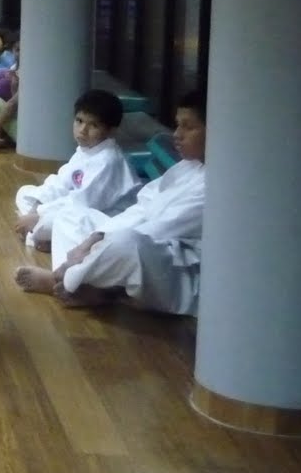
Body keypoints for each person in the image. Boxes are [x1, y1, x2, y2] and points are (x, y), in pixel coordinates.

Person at [14, 88, 206, 314]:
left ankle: (65, 279)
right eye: (177, 125)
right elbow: (142, 207)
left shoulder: (218, 188)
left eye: (188, 127)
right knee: (71, 216)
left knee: (127, 243)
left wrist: (93, 243)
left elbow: (157, 229)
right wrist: (94, 238)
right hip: (134, 233)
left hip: (172, 269)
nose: (177, 134)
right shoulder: (188, 166)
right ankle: (80, 284)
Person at [12, 89, 141, 247]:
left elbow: (81, 204)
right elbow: (61, 182)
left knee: (56, 221)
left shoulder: (108, 161)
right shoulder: (87, 149)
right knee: (25, 192)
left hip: (104, 221)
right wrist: (36, 208)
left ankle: (40, 236)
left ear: (111, 130)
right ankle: (40, 234)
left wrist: (39, 214)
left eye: (93, 125)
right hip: (78, 209)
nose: (82, 130)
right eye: (79, 121)